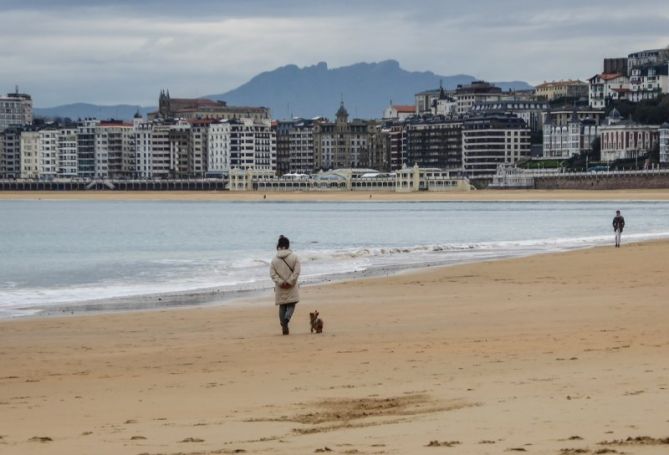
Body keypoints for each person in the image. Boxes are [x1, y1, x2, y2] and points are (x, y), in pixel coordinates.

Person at [269, 235, 301, 335]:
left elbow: (272, 274)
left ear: (278, 245)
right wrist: (290, 281)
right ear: (288, 245)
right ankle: (286, 319)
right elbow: (297, 271)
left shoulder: (274, 260)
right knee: (292, 303)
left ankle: (283, 324)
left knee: (282, 305)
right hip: (291, 285)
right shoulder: (294, 257)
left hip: (280, 287)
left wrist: (281, 282)